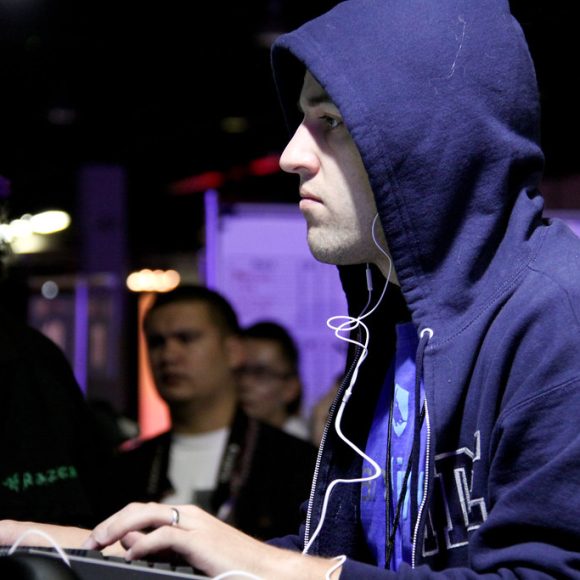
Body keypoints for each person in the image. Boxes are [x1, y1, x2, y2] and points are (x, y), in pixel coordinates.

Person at [3, 1, 580, 578]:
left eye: (332, 121)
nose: (290, 156)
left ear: (430, 137)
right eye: (303, 121)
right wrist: (122, 548)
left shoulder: (560, 313)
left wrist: (262, 562)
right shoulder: (394, 326)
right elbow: (342, 558)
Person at [113, 285, 317, 540]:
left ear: (233, 352)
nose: (168, 355)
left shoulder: (294, 463)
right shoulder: (125, 469)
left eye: (186, 338)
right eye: (157, 342)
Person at [237, 320, 310, 440]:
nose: (245, 383)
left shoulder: (308, 447)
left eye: (260, 373)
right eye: (239, 371)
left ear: (291, 388)